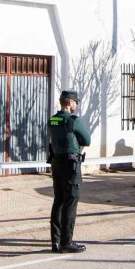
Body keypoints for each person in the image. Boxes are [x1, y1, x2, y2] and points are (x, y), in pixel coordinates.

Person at [47, 90, 90, 253]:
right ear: (69, 102)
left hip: (56, 162)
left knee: (58, 201)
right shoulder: (73, 120)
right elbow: (87, 139)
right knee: (71, 201)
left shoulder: (53, 119)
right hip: (71, 164)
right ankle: (67, 241)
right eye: (75, 102)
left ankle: (55, 241)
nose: (76, 106)